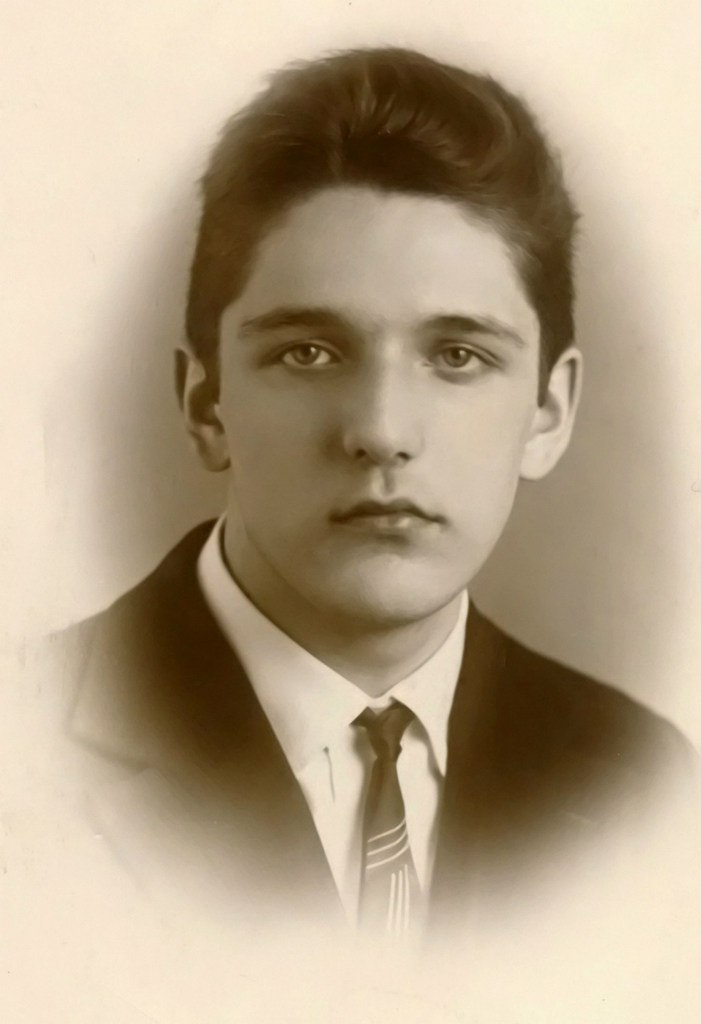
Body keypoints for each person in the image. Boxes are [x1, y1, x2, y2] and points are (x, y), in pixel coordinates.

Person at [55, 46, 696, 974]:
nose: (382, 432)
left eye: (457, 357)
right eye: (309, 353)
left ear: (548, 413)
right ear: (206, 406)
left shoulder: (643, 784)